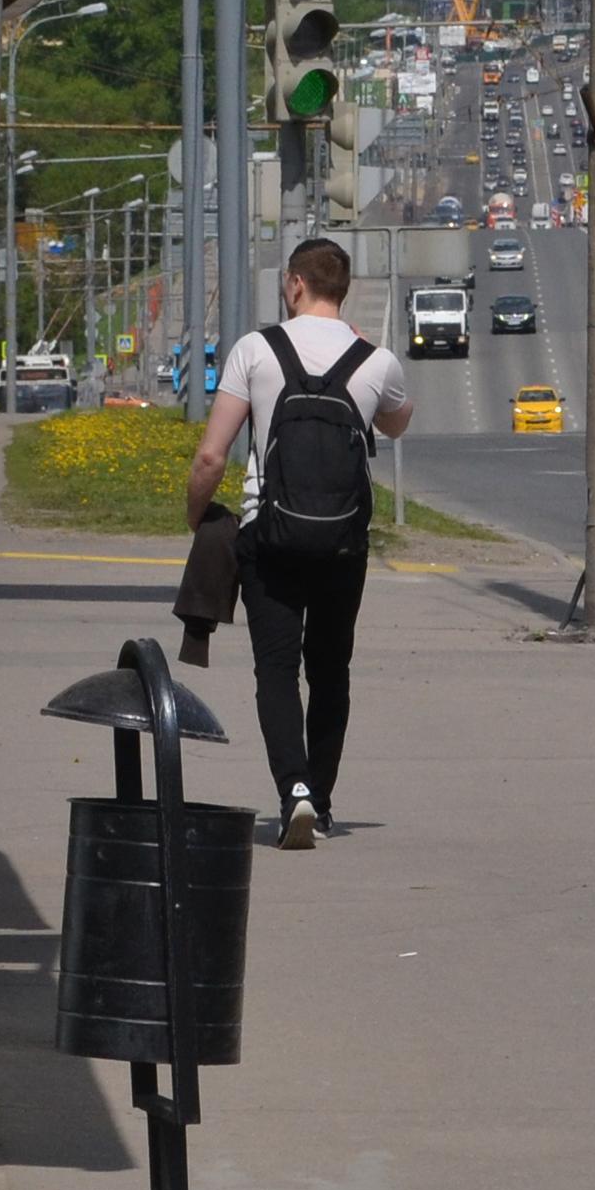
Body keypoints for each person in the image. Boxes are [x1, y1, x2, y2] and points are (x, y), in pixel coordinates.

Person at [186, 236, 413, 849]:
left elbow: (212, 455)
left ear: (293, 285)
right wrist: (369, 362)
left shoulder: (256, 351)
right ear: (343, 291)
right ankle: (325, 797)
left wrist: (196, 515)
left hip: (270, 537)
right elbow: (396, 421)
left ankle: (294, 794)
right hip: (343, 543)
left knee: (277, 670)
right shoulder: (375, 359)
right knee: (331, 671)